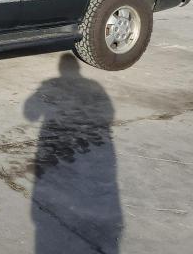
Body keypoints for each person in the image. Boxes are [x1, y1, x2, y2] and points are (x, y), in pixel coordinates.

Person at [24, 53, 123, 253]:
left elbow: (29, 113)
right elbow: (108, 115)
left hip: (58, 149)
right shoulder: (95, 86)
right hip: (97, 165)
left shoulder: (50, 84)